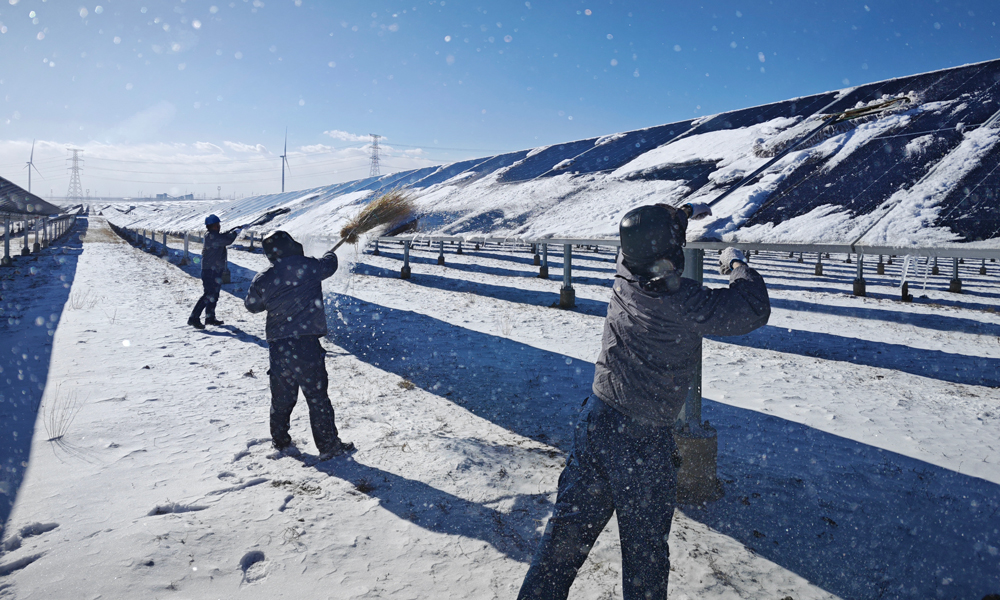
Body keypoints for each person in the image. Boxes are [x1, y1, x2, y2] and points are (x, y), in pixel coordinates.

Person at [517, 203, 771, 600]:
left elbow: (644, 235)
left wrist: (683, 213)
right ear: (668, 251)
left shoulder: (625, 269)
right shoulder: (683, 300)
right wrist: (736, 264)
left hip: (597, 422)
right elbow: (752, 310)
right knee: (645, 558)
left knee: (562, 543)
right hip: (643, 441)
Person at [244, 230, 354, 461]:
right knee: (316, 397)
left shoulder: (263, 277)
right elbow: (330, 264)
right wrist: (328, 255)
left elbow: (252, 306)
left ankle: (281, 439)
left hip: (278, 347)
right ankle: (328, 446)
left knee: (282, 397)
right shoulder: (309, 266)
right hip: (306, 344)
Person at [188, 214, 241, 329]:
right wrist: (235, 233)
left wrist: (232, 230)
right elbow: (227, 240)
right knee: (208, 295)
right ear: (215, 226)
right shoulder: (212, 237)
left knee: (214, 294)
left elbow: (224, 236)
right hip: (210, 271)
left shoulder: (212, 235)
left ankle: (210, 317)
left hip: (215, 270)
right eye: (218, 224)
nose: (220, 226)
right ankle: (194, 318)